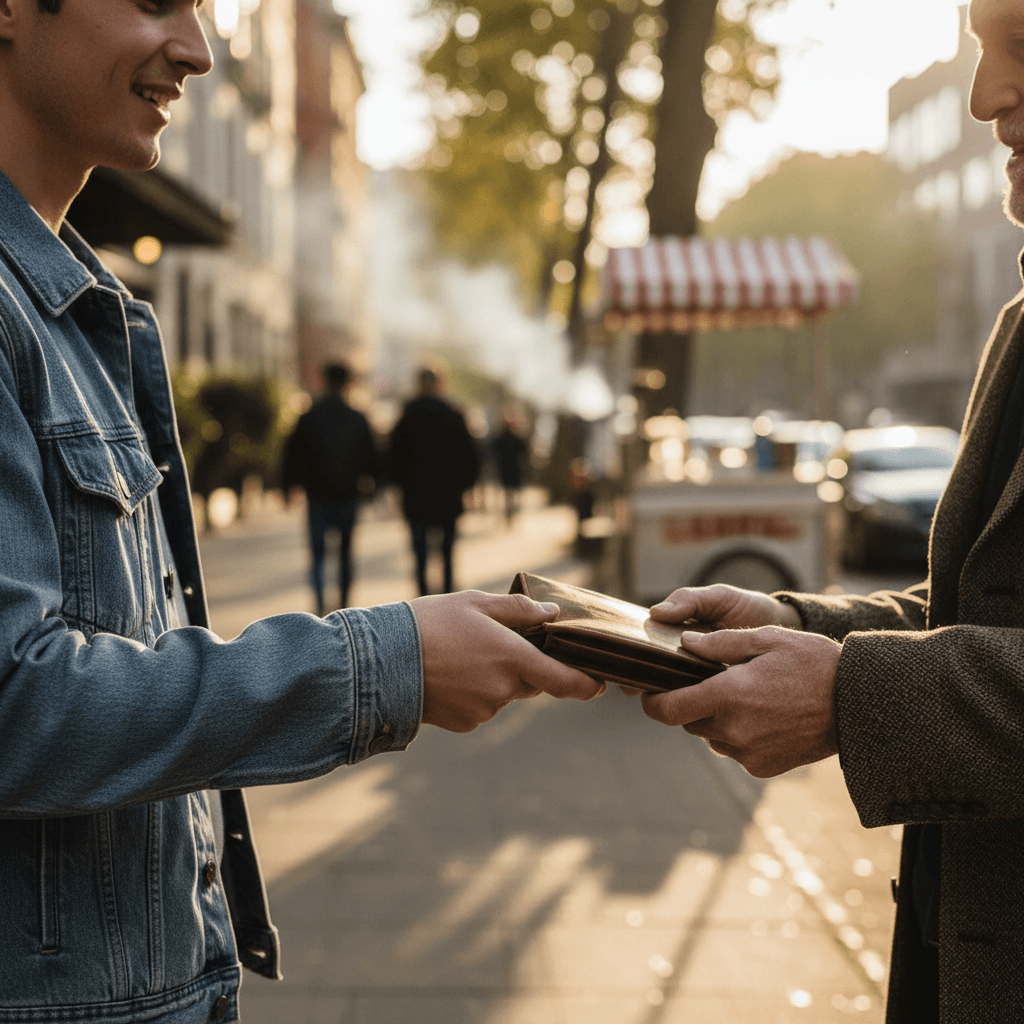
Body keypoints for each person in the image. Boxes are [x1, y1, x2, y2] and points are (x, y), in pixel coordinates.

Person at [0, 2, 606, 1020]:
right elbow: (18, 706)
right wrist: (384, 659)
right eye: (155, 2)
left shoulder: (76, 308)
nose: (195, 49)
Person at [639, 3, 1024, 1018]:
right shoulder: (1019, 323)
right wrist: (806, 629)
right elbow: (985, 611)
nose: (986, 98)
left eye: (1020, 46)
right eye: (983, 53)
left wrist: (851, 693)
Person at [282, 360, 377, 613]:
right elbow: (371, 456)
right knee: (346, 554)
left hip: (317, 495)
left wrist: (289, 487)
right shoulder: (357, 417)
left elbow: (293, 454)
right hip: (348, 495)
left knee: (318, 556)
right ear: (347, 384)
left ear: (324, 381)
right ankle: (344, 607)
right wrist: (371, 488)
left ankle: (320, 607)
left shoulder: (309, 416)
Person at [388, 366, 481, 595]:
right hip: (448, 495)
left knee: (420, 554)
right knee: (447, 553)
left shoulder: (407, 415)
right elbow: (470, 455)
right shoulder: (454, 413)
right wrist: (466, 486)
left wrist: (398, 486)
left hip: (416, 496)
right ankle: (449, 599)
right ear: (441, 383)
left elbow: (394, 456)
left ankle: (422, 603)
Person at [489, 408, 530, 524]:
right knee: (509, 492)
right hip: (508, 467)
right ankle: (509, 512)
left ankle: (511, 512)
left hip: (510, 467)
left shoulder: (511, 437)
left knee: (511, 493)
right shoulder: (507, 437)